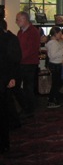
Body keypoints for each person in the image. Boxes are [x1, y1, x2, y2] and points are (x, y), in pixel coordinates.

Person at [0, 20, 21, 153]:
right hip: (5, 78)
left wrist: (11, 77)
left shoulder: (10, 39)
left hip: (4, 79)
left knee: (3, 110)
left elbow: (13, 59)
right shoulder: (12, 38)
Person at [14, 11, 41, 117]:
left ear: (25, 19)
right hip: (22, 63)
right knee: (19, 87)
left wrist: (18, 58)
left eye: (18, 19)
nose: (16, 22)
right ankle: (26, 107)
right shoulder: (20, 32)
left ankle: (29, 109)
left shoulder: (33, 32)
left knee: (28, 88)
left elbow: (31, 50)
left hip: (29, 64)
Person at [45, 26, 63, 108]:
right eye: (60, 33)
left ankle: (52, 98)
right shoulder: (53, 43)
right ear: (55, 34)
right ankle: (52, 100)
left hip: (56, 64)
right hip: (55, 65)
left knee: (57, 83)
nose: (61, 35)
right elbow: (53, 55)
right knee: (56, 83)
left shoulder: (54, 42)